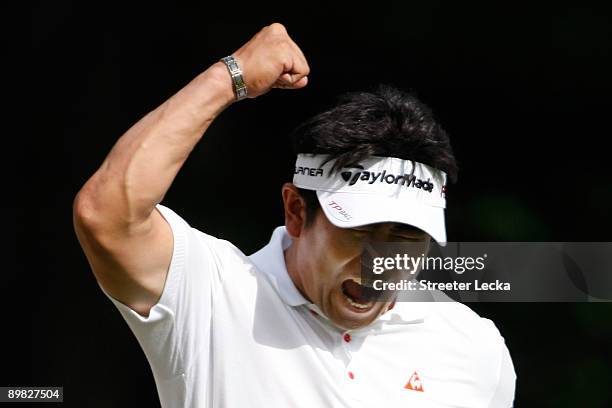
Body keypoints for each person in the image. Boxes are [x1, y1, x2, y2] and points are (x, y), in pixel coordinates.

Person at [73, 23, 516, 407]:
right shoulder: (211, 297)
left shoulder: (474, 349)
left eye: (404, 236)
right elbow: (107, 215)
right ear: (297, 211)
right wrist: (231, 78)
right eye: (360, 231)